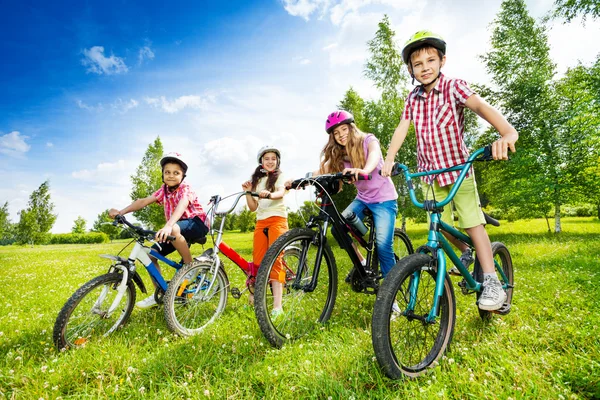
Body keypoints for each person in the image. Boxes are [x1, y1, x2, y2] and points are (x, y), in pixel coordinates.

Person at [382, 30, 518, 311]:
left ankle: (491, 279)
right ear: (411, 69)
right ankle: (466, 252)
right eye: (418, 64)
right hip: (429, 175)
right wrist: (389, 158)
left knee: (471, 223)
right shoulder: (412, 99)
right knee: (440, 228)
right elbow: (402, 128)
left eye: (431, 60)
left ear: (442, 61)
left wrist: (507, 132)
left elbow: (481, 107)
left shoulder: (454, 87)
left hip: (459, 170)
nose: (425, 68)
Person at [109, 152, 208, 309]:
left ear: (183, 176)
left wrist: (169, 225)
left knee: (174, 229)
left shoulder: (185, 188)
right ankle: (160, 293)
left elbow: (183, 204)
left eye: (176, 173)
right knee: (151, 254)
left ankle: (190, 267)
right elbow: (142, 201)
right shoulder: (164, 190)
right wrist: (121, 212)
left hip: (196, 224)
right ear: (162, 174)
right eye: (167, 172)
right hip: (176, 228)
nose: (171, 176)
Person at [317, 110, 399, 279]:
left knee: (383, 247)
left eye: (344, 130)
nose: (341, 135)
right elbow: (322, 170)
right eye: (336, 133)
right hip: (363, 199)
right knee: (338, 229)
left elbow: (375, 155)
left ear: (351, 128)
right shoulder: (339, 153)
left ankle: (392, 295)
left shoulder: (368, 140)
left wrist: (364, 170)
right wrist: (300, 180)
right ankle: (362, 264)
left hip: (384, 199)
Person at [242, 145, 288, 317]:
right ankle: (255, 300)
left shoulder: (280, 176)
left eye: (273, 159)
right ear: (261, 161)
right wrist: (248, 192)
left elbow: (280, 193)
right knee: (258, 263)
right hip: (261, 222)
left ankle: (277, 307)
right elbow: (253, 207)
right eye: (266, 158)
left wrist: (268, 194)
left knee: (276, 261)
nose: (270, 161)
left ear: (277, 161)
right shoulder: (257, 180)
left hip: (277, 220)